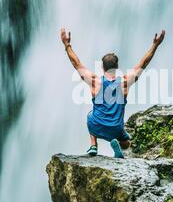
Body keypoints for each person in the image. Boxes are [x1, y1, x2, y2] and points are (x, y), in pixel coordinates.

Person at [60, 28, 165, 158]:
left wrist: (66, 44)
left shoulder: (95, 82)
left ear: (102, 67)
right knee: (126, 144)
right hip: (116, 127)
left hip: (97, 124)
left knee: (89, 116)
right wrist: (155, 45)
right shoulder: (124, 83)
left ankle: (93, 145)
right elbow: (143, 63)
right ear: (117, 67)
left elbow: (76, 64)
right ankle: (116, 143)